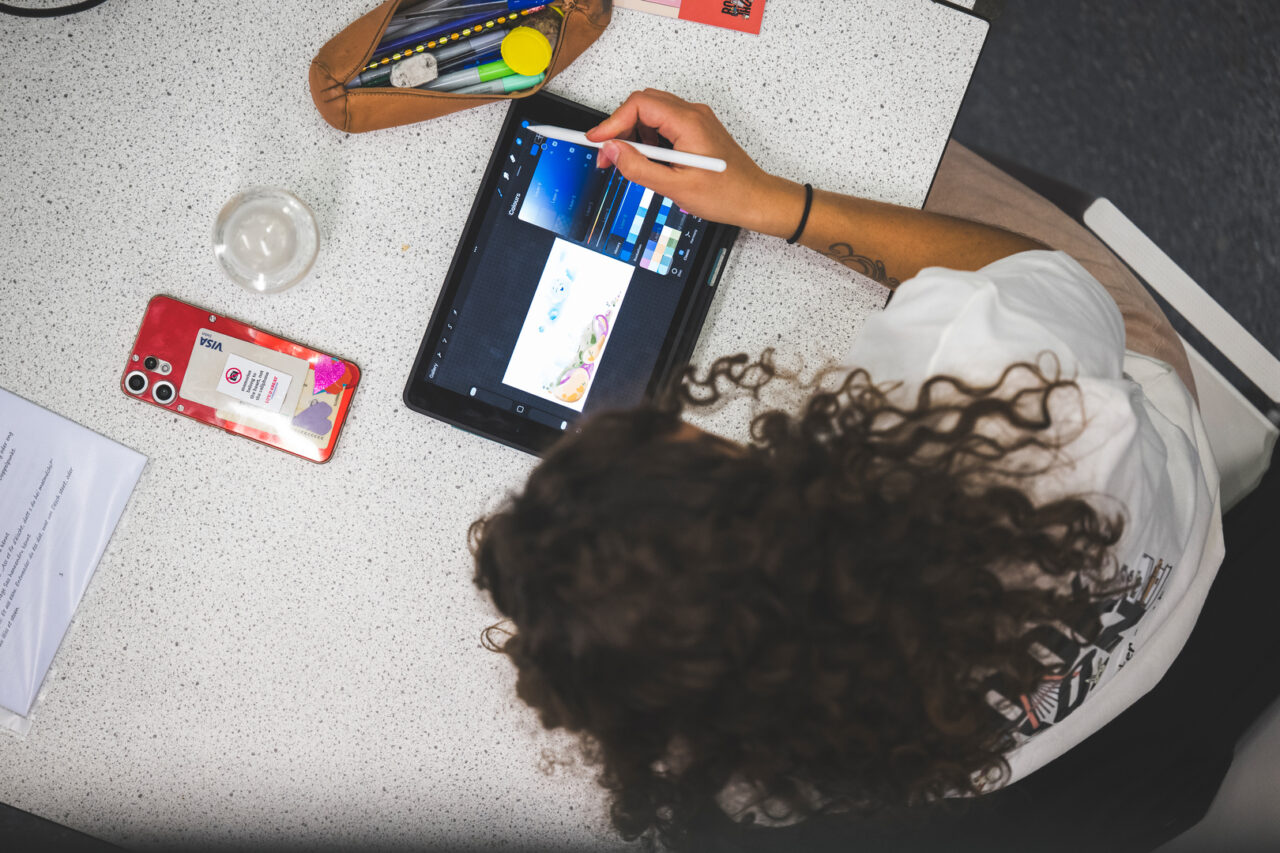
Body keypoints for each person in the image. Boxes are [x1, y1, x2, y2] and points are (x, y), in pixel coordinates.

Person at [470, 90, 1225, 851]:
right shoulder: (1013, 401)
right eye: (678, 439)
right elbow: (1035, 274)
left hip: (1120, 686)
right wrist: (774, 203)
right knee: (902, 133)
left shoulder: (756, 779)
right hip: (1168, 506)